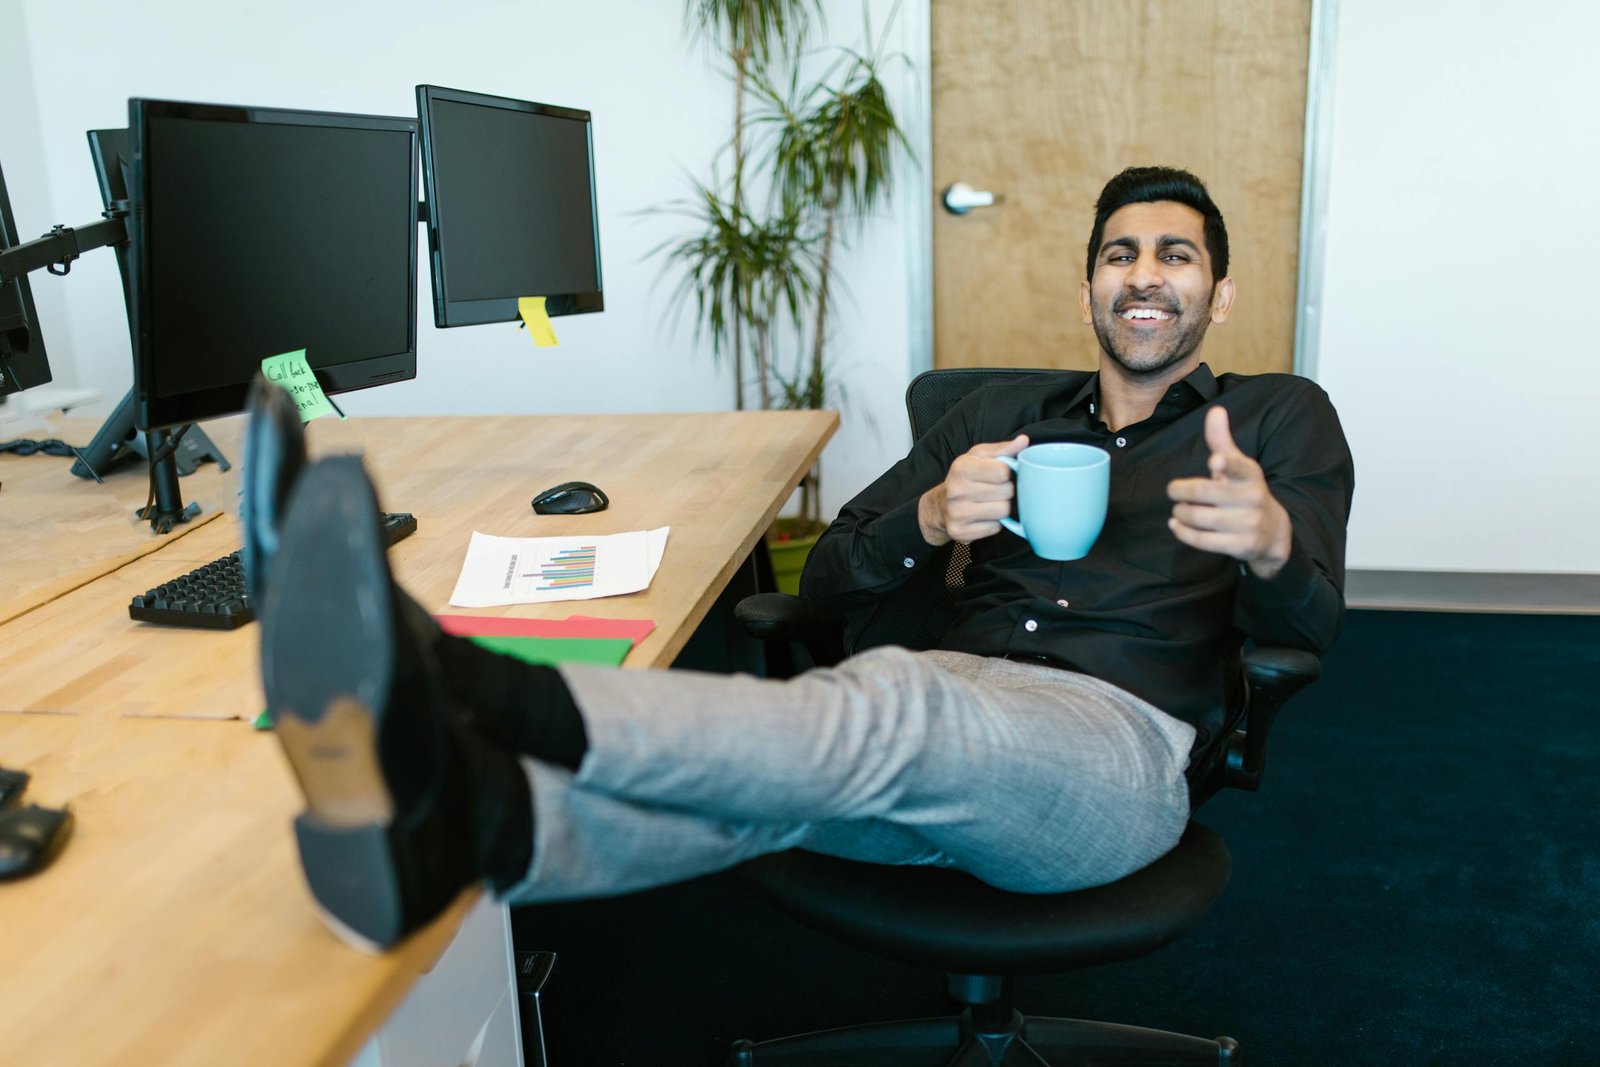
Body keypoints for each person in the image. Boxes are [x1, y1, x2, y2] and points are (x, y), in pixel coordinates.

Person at [253, 165, 1354, 952]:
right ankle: (463, 838)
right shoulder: (994, 413)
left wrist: (1268, 543)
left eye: (1177, 255)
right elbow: (822, 578)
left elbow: (1308, 633)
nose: (1145, 275)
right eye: (1121, 254)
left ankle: (468, 681)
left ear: (1219, 292)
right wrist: (927, 517)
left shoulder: (1273, 418)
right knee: (772, 779)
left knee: (893, 703)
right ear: (1087, 292)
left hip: (1119, 749)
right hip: (950, 697)